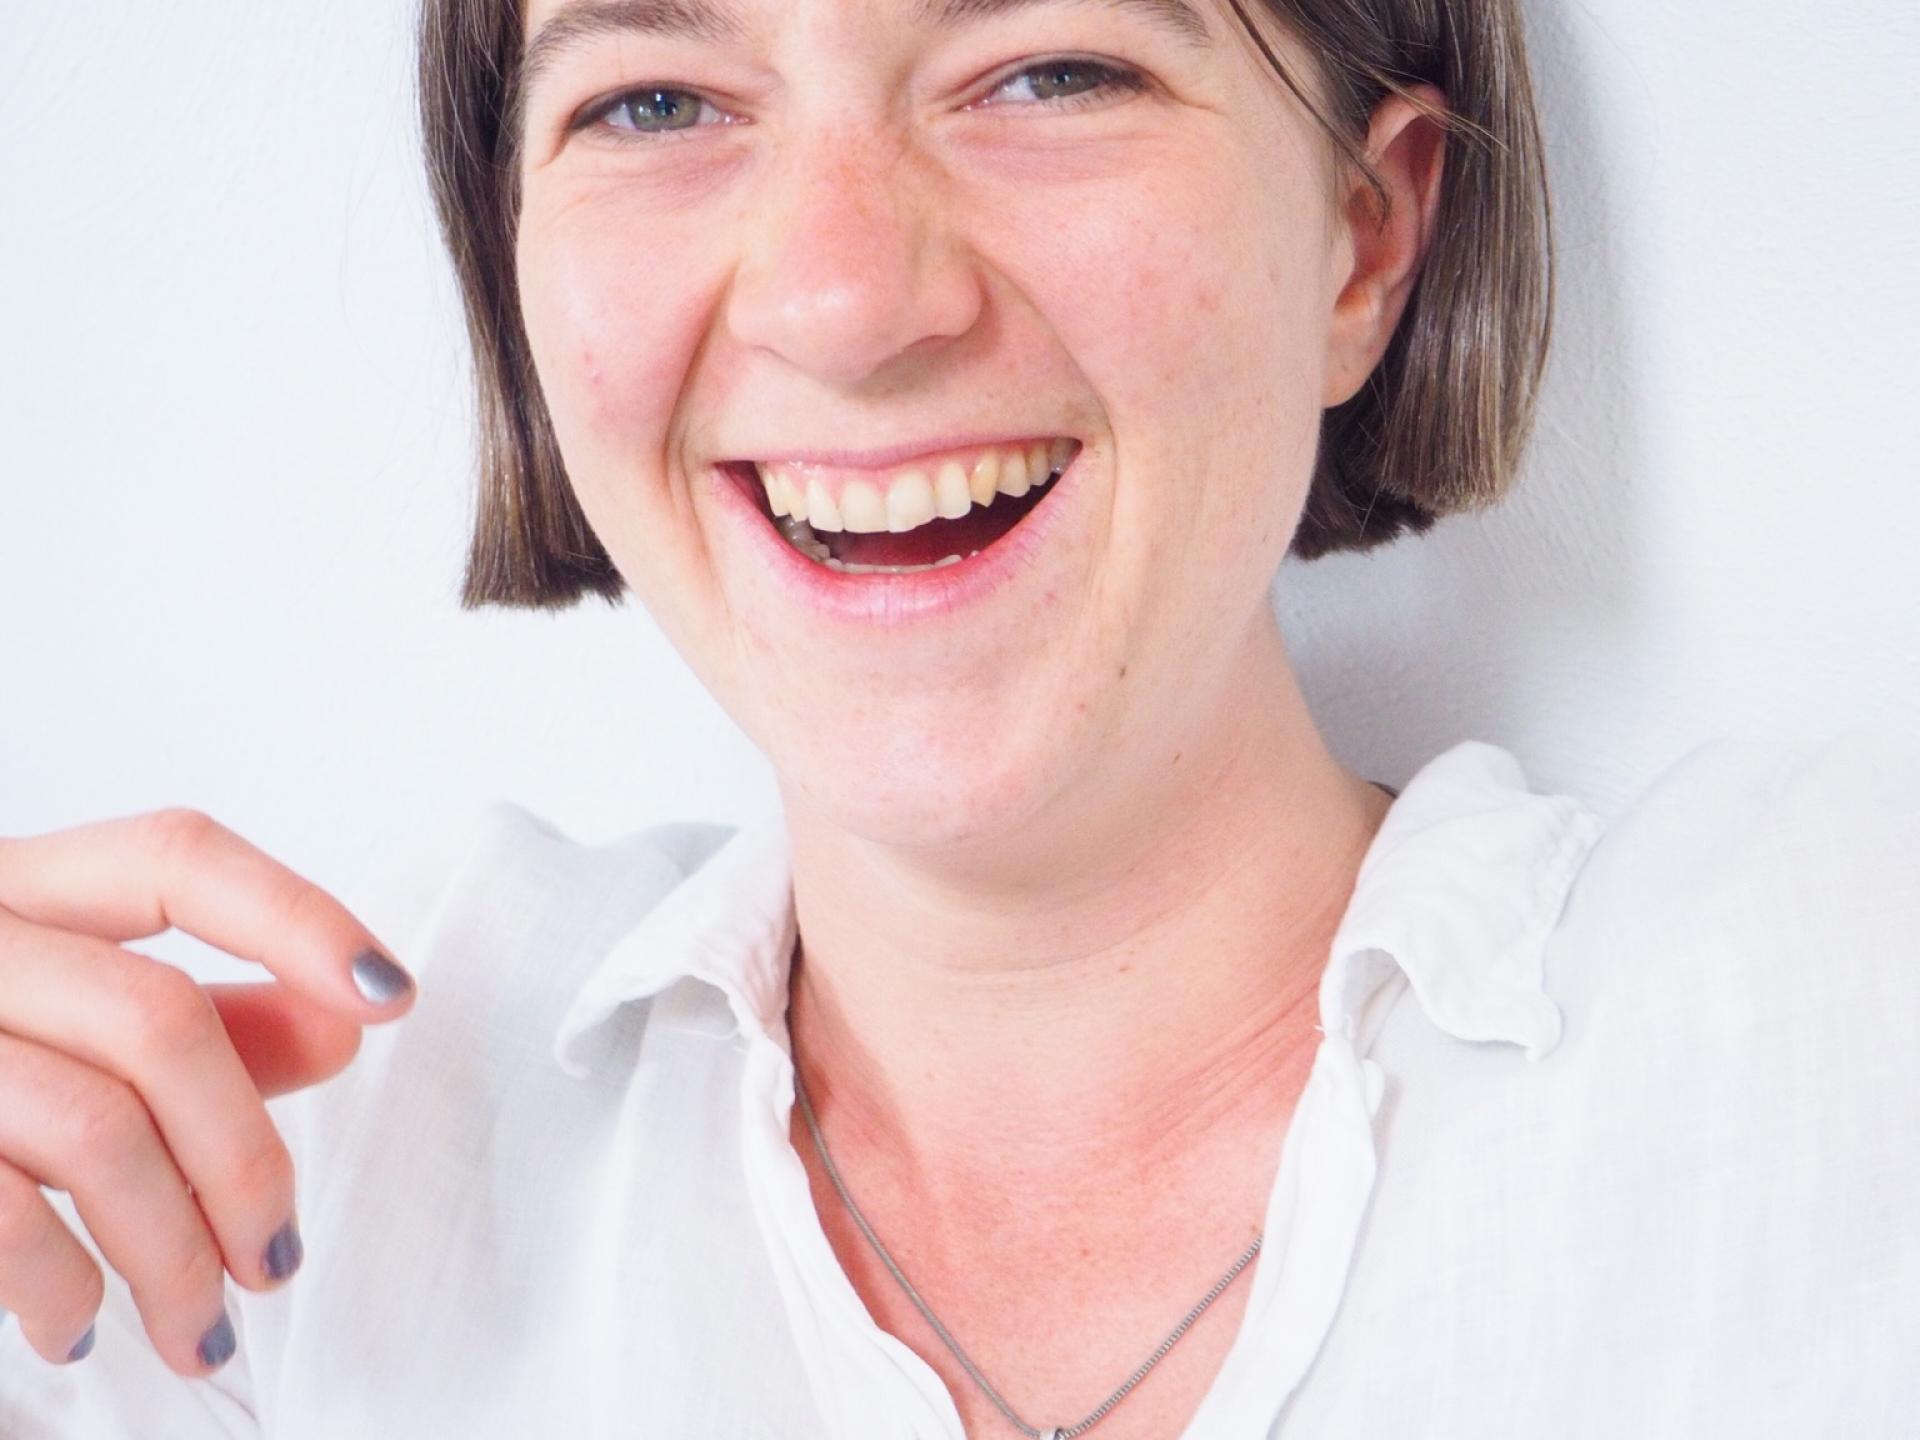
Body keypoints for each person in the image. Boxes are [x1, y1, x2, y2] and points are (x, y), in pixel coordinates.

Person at [2, 0, 1916, 1436]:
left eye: (1050, 69)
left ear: (1367, 237)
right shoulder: (266, 1181)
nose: (843, 297)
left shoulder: (1851, 1020)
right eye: (655, 102)